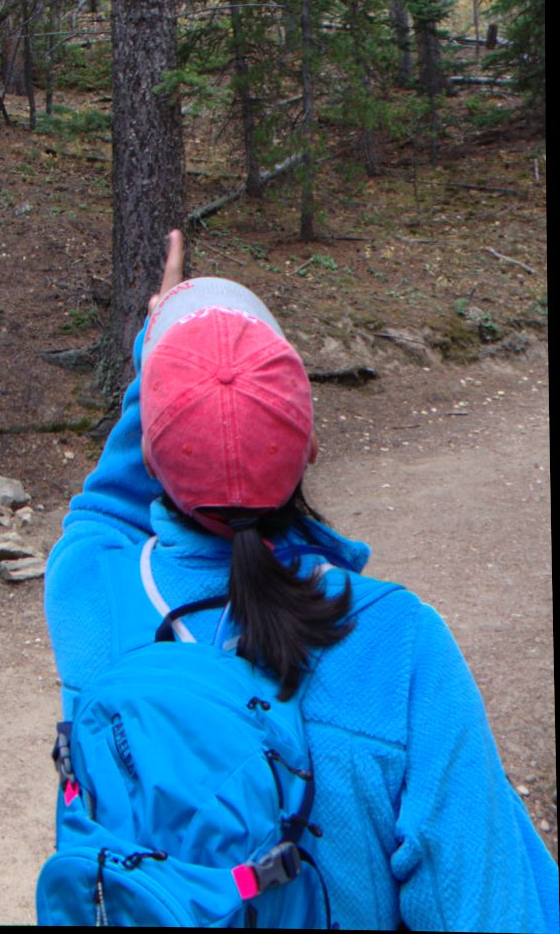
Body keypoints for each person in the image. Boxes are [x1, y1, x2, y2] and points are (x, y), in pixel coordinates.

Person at [44, 229, 559, 932]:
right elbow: (482, 906)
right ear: (309, 444)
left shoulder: (87, 591)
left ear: (152, 455)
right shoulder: (397, 642)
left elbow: (106, 500)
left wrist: (160, 344)